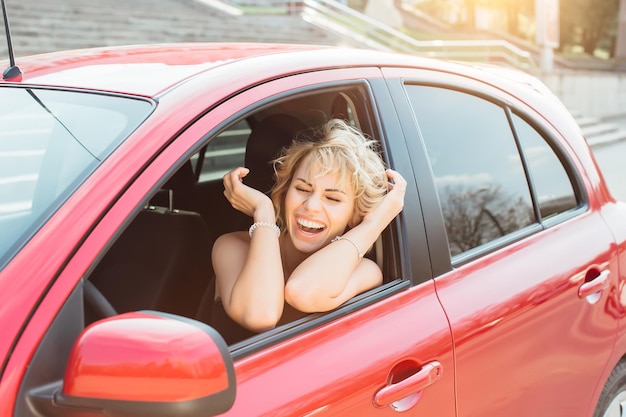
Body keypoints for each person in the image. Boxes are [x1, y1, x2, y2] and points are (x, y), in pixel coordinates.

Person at [210, 118, 406, 342]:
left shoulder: (365, 271)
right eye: (302, 189)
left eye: (332, 198)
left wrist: (373, 224)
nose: (311, 206)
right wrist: (264, 212)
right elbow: (260, 315)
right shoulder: (232, 246)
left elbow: (302, 291)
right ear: (283, 194)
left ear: (354, 215)